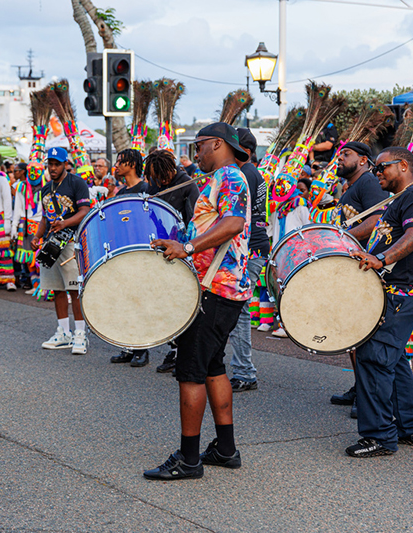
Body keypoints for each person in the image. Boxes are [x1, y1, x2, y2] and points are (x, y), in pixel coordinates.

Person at [146, 122, 251, 480]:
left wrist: (187, 247)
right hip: (219, 289)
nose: (197, 153)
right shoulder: (219, 179)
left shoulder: (231, 178)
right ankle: (225, 448)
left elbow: (234, 224)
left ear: (217, 144)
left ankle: (188, 459)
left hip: (215, 290)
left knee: (190, 371)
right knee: (212, 366)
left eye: (199, 146)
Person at [344, 147, 413, 457]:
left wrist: (380, 259)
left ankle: (379, 436)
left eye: (382, 167)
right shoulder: (399, 199)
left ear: (403, 166)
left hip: (400, 293)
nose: (377, 173)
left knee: (374, 358)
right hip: (396, 292)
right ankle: (409, 425)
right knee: (391, 360)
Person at [329, 142, 389, 416]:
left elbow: (377, 221)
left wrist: (345, 240)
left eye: (346, 155)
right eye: (339, 154)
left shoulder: (367, 183)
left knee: (360, 333)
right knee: (352, 334)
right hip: (353, 265)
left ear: (364, 160)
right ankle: (359, 386)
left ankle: (366, 395)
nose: (339, 159)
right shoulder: (351, 186)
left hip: (364, 265)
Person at [31, 147, 90, 355]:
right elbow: (45, 218)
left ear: (66, 164)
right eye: (50, 164)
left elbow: (85, 211)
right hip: (51, 243)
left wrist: (65, 223)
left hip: (71, 241)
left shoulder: (77, 183)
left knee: (74, 289)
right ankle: (64, 332)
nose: (53, 168)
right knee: (56, 288)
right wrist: (37, 236)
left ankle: (80, 334)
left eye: (57, 164)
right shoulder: (46, 189)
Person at [145, 148, 200, 374]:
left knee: (182, 300)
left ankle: (181, 352)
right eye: (157, 178)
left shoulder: (187, 184)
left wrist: (186, 246)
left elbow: (194, 220)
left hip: (181, 249)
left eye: (164, 176)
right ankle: (175, 347)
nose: (161, 181)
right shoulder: (154, 184)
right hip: (161, 247)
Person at [226, 128, 269, 392]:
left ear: (246, 151)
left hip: (250, 249)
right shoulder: (251, 173)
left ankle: (245, 372)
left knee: (240, 310)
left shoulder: (246, 174)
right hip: (251, 249)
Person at [109, 149, 152, 367]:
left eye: (120, 161)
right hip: (123, 251)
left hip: (141, 251)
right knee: (124, 300)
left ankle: (141, 349)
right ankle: (127, 345)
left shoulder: (146, 188)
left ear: (132, 164)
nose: (116, 165)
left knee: (139, 300)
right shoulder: (120, 192)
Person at [11, 162, 43, 294]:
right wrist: (14, 227)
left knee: (40, 258)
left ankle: (43, 285)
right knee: (29, 258)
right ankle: (35, 285)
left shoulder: (46, 187)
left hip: (42, 224)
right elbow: (18, 208)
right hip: (26, 225)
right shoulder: (21, 188)